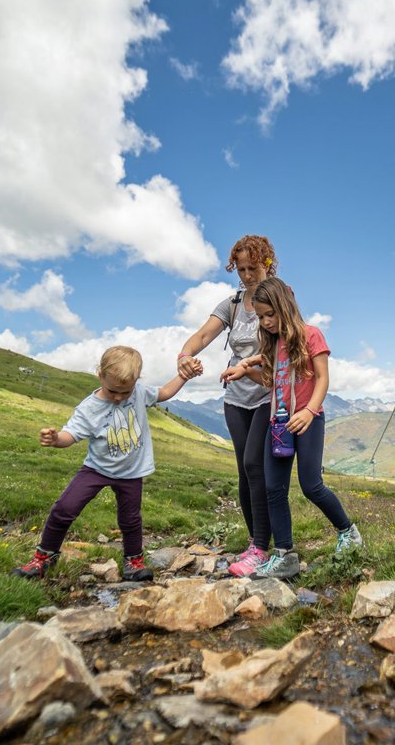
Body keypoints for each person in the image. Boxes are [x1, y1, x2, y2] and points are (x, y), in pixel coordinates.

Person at [220, 277, 362, 580]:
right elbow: (271, 382)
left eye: (270, 314)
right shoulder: (271, 345)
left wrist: (310, 411)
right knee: (274, 489)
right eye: (260, 317)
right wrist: (244, 372)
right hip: (279, 423)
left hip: (308, 420)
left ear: (285, 307)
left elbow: (322, 379)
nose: (266, 321)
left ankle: (348, 532)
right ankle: (284, 554)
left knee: (311, 486)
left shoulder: (311, 335)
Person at [12, 345, 193, 581]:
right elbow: (71, 435)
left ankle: (133, 562)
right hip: (96, 469)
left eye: (125, 392)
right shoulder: (89, 408)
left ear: (136, 382)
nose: (118, 397)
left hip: (131, 472)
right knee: (64, 509)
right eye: (112, 391)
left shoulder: (139, 392)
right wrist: (56, 439)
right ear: (100, 376)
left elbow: (165, 392)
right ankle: (44, 558)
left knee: (130, 519)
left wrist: (184, 375)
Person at [177, 235, 277, 578]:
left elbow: (288, 343)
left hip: (268, 393)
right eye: (241, 269)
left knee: (255, 464)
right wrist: (185, 356)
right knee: (244, 472)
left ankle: (262, 547)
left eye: (253, 267)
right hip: (236, 399)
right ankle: (255, 541)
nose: (247, 275)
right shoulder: (232, 303)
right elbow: (203, 335)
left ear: (266, 263)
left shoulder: (280, 295)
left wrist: (248, 366)